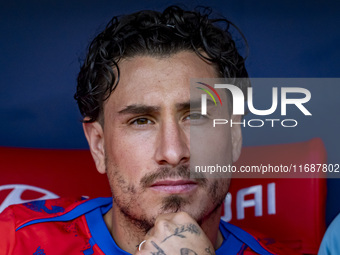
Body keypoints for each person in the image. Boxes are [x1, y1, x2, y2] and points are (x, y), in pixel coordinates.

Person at [0, 6, 297, 255]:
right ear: (99, 146)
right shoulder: (15, 239)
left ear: (234, 138)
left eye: (195, 116)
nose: (173, 152)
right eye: (141, 120)